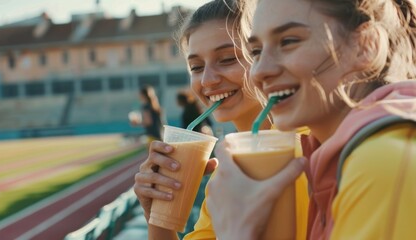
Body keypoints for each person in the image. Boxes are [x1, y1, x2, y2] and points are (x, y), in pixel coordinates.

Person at [206, 0, 416, 239]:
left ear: (364, 46)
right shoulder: (333, 158)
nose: (259, 71)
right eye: (256, 52)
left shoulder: (383, 162)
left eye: (288, 41)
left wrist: (236, 231)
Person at [133, 0, 309, 239]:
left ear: (263, 56)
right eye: (196, 67)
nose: (207, 80)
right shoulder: (227, 169)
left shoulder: (305, 146)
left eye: (226, 59)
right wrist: (158, 215)